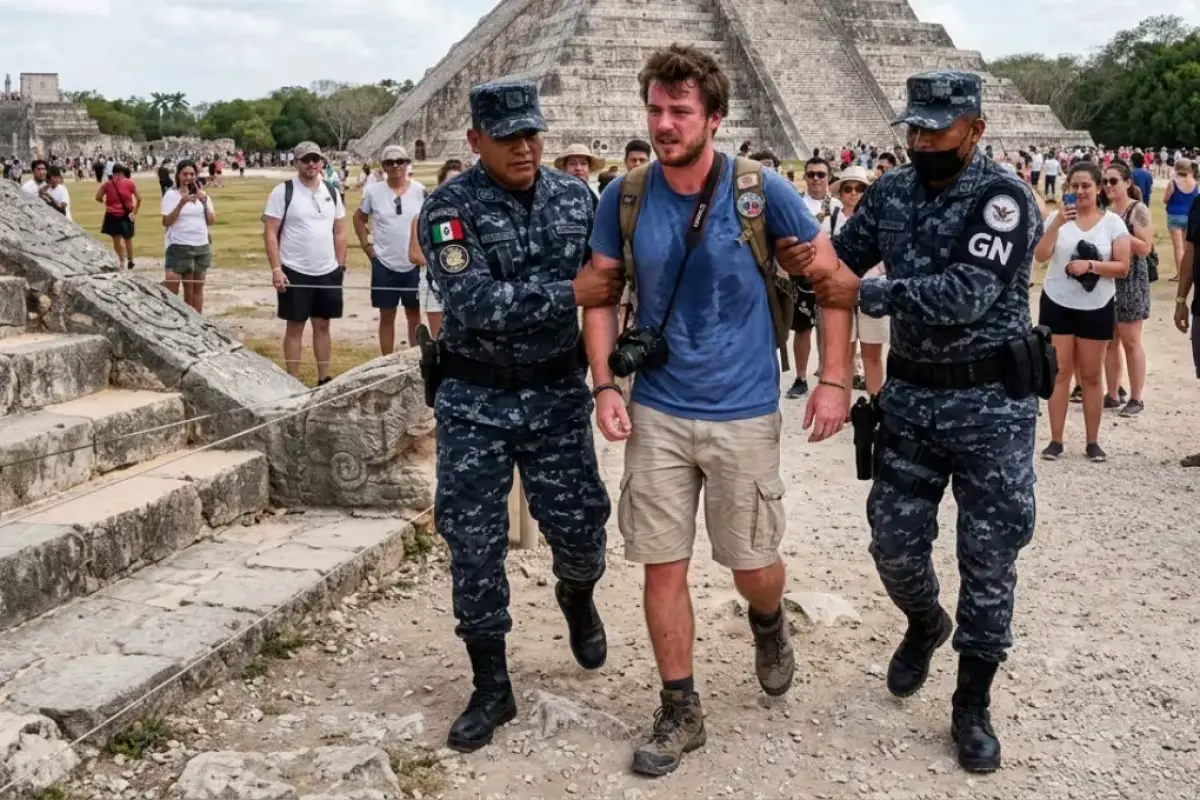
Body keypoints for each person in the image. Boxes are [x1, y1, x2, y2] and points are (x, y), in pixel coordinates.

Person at [584, 44, 847, 778]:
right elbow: (601, 294)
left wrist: (832, 378)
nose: (664, 124)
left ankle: (769, 621)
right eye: (656, 110)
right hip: (660, 409)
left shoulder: (763, 192)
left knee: (752, 563)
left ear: (715, 118)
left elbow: (830, 283)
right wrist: (607, 385)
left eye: (680, 111)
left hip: (743, 408)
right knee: (659, 566)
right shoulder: (624, 195)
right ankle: (679, 706)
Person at [780, 71, 1044, 774]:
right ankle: (926, 622)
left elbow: (965, 294)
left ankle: (972, 700)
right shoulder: (893, 192)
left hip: (991, 406)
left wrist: (862, 290)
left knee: (988, 558)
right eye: (916, 128)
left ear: (976, 130)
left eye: (939, 129)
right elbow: (840, 259)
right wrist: (798, 259)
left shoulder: (1004, 200)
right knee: (893, 543)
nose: (924, 140)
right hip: (913, 400)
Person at [416, 80, 623, 755]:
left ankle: (577, 595)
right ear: (476, 141)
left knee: (582, 526)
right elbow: (471, 301)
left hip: (558, 395)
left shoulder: (574, 196)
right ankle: (491, 684)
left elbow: (609, 284)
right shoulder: (449, 209)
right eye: (509, 139)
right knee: (473, 542)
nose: (526, 147)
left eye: (533, 133)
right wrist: (569, 291)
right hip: (476, 401)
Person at [1035, 161, 1131, 463]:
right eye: (1074, 186)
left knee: (1091, 375)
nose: (1080, 191)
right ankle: (1056, 439)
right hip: (1058, 302)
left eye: (1086, 186)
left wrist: (1090, 266)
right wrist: (1055, 225)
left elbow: (1123, 267)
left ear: (1099, 187)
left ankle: (1092, 441)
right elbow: (1039, 256)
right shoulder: (1057, 218)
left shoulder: (1113, 223)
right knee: (1060, 373)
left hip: (1096, 305)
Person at [262, 141, 348, 386]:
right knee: (295, 326)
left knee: (323, 326)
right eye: (305, 159)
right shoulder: (283, 191)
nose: (311, 164)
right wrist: (276, 268)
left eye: (315, 159)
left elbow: (340, 230)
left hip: (327, 269)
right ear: (296, 162)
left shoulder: (331, 191)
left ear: (322, 161)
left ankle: (325, 377)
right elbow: (270, 231)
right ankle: (293, 380)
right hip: (295, 269)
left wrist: (340, 266)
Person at [355, 145, 425, 354]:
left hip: (412, 263)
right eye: (389, 162)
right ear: (383, 166)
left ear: (407, 163)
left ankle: (416, 359)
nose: (395, 166)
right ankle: (386, 360)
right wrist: (367, 246)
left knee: (414, 314)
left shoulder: (420, 191)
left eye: (400, 161)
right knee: (387, 315)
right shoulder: (373, 192)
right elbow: (359, 218)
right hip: (384, 262)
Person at [408, 159, 463, 338]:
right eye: (449, 183)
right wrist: (450, 261)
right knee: (439, 338)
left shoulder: (473, 220)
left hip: (466, 285)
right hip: (435, 284)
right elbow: (415, 255)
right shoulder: (423, 217)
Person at [161, 160, 216, 313]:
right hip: (179, 246)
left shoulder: (202, 195)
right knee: (171, 289)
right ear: (178, 175)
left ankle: (197, 325)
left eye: (192, 174)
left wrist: (204, 202)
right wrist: (181, 203)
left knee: (195, 291)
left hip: (201, 246)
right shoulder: (171, 195)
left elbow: (211, 221)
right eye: (185, 174)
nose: (188, 177)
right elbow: (166, 221)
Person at [96, 164, 141, 270]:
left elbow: (98, 197)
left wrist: (106, 203)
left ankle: (121, 260)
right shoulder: (130, 183)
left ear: (113, 172)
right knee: (128, 239)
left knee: (116, 241)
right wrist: (134, 212)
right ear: (122, 172)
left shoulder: (107, 184)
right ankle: (130, 260)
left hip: (112, 214)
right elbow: (139, 198)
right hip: (127, 213)